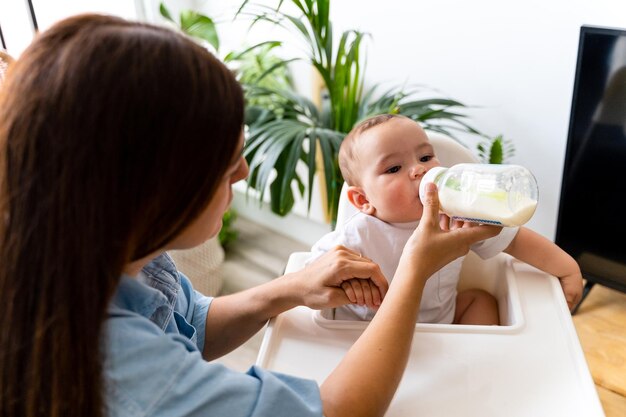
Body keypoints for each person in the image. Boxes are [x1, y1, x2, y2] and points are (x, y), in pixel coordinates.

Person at [0, 15, 501, 417]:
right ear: (146, 192)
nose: (242, 172)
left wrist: (291, 288)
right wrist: (415, 267)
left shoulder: (126, 256)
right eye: (224, 163)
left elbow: (190, 324)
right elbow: (339, 410)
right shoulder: (114, 365)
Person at [309, 114, 583, 325]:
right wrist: (347, 282)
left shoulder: (459, 216)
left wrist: (567, 269)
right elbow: (310, 276)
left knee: (481, 301)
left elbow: (517, 241)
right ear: (363, 201)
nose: (419, 169)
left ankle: (475, 368)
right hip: (372, 337)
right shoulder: (356, 236)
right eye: (394, 168)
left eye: (425, 157)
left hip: (442, 327)